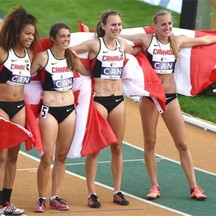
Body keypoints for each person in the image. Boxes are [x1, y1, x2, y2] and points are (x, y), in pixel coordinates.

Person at [121, 10, 216, 201]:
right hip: (150, 99)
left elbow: (204, 41)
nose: (167, 27)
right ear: (155, 26)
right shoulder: (146, 40)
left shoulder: (177, 41)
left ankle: (194, 187)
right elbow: (118, 36)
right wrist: (96, 32)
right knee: (150, 143)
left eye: (169, 24)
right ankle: (154, 185)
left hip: (170, 98)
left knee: (182, 143)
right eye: (163, 24)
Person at [0, 6, 40, 216]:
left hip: (19, 108)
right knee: (1, 157)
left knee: (13, 157)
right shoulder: (1, 52)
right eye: (27, 34)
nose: (31, 37)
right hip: (0, 108)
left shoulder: (30, 55)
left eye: (32, 34)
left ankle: (7, 203)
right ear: (17, 32)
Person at [71, 10, 134, 208]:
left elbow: (138, 50)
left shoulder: (122, 44)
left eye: (119, 25)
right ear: (104, 25)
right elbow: (68, 51)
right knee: (95, 148)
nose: (116, 28)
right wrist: (84, 70)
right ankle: (92, 193)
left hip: (118, 100)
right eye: (113, 25)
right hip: (99, 100)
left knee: (117, 146)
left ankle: (117, 190)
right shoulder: (94, 44)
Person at [31, 23, 90, 213]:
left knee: (62, 156)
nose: (66, 40)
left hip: (68, 112)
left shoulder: (71, 56)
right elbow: (25, 76)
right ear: (54, 38)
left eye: (68, 36)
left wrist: (90, 38)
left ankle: (55, 196)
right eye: (62, 36)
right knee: (47, 157)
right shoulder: (43, 57)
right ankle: (41, 198)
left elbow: (88, 73)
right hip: (49, 111)